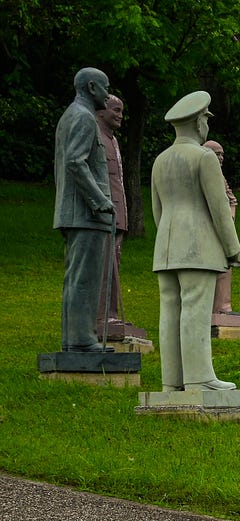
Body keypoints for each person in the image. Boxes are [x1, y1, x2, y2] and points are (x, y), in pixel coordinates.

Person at [150, 90, 240, 391]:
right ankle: (200, 379)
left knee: (170, 312)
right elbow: (220, 209)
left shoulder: (161, 160)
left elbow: (157, 210)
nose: (207, 124)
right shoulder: (204, 157)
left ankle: (172, 383)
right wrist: (234, 250)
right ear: (197, 123)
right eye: (205, 118)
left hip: (166, 248)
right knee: (195, 310)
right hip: (197, 247)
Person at [53, 67, 115, 353]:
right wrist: (99, 200)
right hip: (86, 214)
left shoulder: (71, 115)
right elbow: (75, 162)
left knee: (77, 277)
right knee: (85, 279)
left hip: (77, 212)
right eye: (105, 87)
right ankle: (81, 339)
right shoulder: (83, 117)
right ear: (92, 88)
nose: (108, 93)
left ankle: (74, 339)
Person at [94, 92, 143, 342]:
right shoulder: (96, 137)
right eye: (116, 110)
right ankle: (101, 315)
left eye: (122, 110)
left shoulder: (112, 140)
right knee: (103, 266)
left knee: (115, 264)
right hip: (104, 213)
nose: (120, 115)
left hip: (118, 213)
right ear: (101, 111)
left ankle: (111, 313)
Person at [204, 139, 240, 318]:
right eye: (216, 153)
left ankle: (223, 306)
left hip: (224, 227)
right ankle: (215, 307)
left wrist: (230, 218)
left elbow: (232, 199)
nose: (220, 158)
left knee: (226, 264)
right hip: (208, 228)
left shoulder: (220, 176)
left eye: (222, 154)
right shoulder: (203, 173)